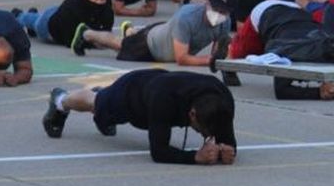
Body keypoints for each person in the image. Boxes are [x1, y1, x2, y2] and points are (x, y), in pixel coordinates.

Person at [41, 69, 237, 165]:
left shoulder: (223, 102)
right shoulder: (164, 99)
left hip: (162, 83)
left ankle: (103, 100)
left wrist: (228, 150)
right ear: (192, 114)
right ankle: (60, 100)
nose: (204, 135)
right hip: (133, 92)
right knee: (95, 102)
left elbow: (228, 139)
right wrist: (195, 157)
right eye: (201, 130)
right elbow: (159, 152)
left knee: (104, 113)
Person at [71, 0, 235, 68]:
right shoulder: (187, 18)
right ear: (207, 4)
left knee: (125, 40)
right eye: (216, 9)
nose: (219, 15)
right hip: (150, 45)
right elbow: (182, 58)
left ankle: (131, 31)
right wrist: (210, 61)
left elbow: (218, 50)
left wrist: (219, 57)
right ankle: (87, 33)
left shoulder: (225, 22)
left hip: (166, 35)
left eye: (224, 12)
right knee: (118, 44)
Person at [225, 0, 334, 101]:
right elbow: (281, 90)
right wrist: (318, 93)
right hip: (264, 11)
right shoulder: (289, 50)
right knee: (239, 54)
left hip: (295, 12)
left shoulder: (326, 39)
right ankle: (226, 48)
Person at [14, 0, 114, 47]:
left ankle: (31, 17)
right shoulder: (72, 7)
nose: (99, 2)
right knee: (33, 21)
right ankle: (18, 15)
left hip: (59, 12)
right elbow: (69, 40)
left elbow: (106, 31)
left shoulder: (107, 10)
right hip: (48, 26)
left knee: (35, 18)